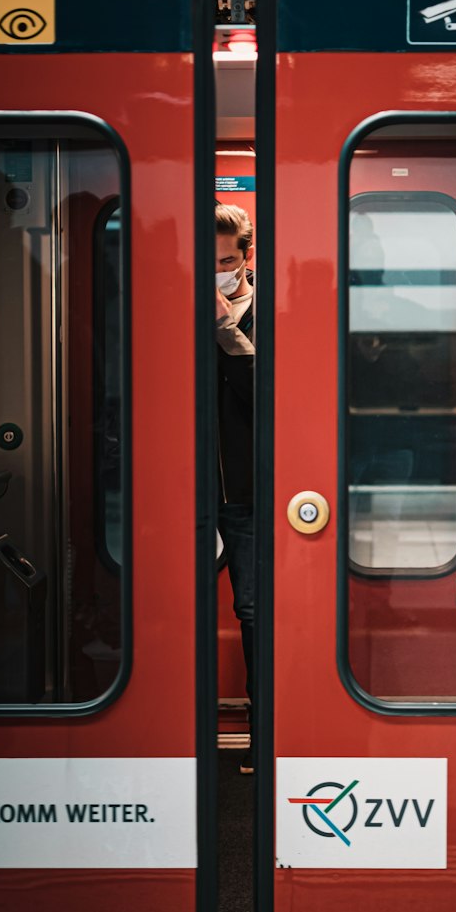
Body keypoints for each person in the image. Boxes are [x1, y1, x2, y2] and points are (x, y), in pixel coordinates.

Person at [214, 203, 255, 768]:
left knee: (252, 610)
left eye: (226, 259)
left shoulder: (264, 309)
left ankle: (262, 737)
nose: (219, 269)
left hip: (246, 492)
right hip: (186, 490)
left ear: (245, 256)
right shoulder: (168, 302)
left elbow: (272, 400)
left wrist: (226, 331)